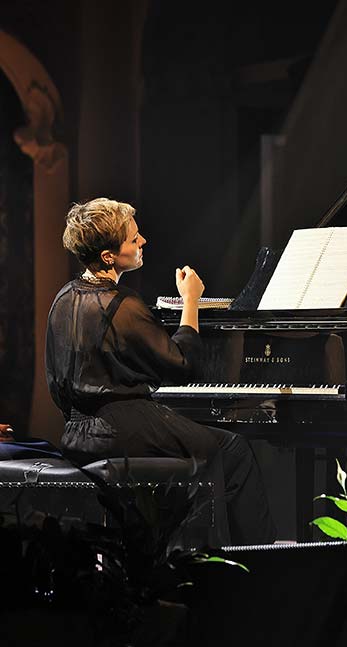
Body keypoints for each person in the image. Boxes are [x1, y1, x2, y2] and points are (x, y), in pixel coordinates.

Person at [45, 197, 276, 545]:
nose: (143, 242)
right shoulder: (122, 304)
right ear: (109, 256)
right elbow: (182, 365)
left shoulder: (63, 298)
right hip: (122, 429)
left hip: (76, 433)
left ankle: (175, 548)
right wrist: (191, 301)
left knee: (200, 447)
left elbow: (58, 382)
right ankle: (254, 558)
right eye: (133, 238)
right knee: (232, 450)